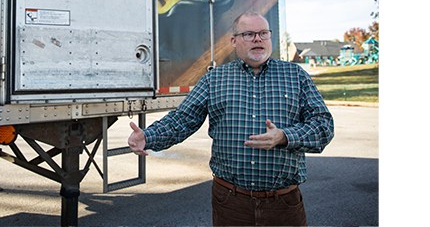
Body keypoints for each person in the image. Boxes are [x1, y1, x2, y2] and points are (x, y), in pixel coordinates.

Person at [128, 12, 334, 226]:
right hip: (231, 202)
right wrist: (148, 136)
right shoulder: (214, 79)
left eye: (263, 33)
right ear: (233, 41)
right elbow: (182, 120)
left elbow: (323, 126)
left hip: (283, 204)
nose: (258, 38)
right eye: (249, 34)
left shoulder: (296, 76)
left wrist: (284, 136)